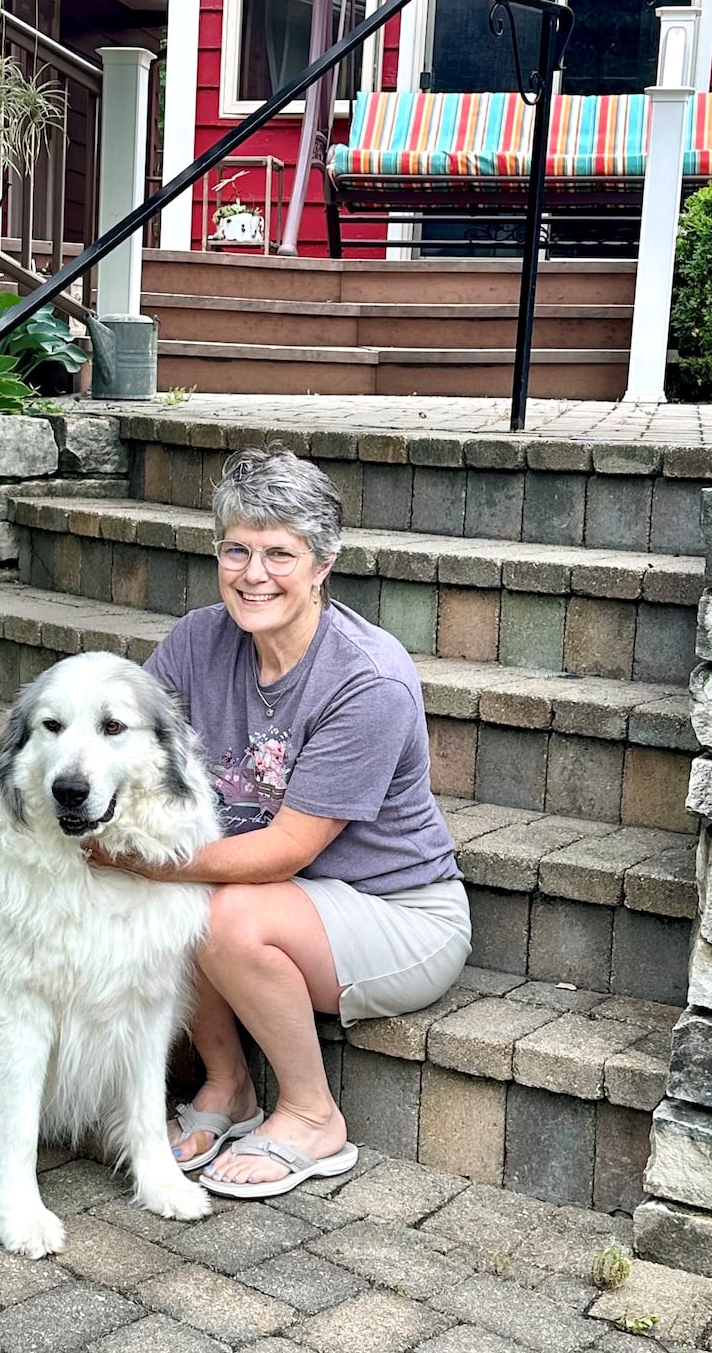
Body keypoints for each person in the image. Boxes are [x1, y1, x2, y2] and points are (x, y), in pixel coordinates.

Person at [113, 443, 471, 1197]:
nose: (253, 573)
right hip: (287, 900)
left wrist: (137, 859)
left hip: (397, 911)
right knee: (189, 898)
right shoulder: (199, 640)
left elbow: (286, 848)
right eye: (237, 549)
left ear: (323, 563)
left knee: (217, 906)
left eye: (280, 553)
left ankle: (313, 1116)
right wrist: (17, 814)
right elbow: (114, 733)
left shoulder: (366, 680)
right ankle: (229, 1087)